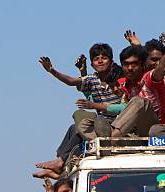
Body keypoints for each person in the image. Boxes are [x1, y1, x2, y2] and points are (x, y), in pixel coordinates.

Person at [34, 43, 122, 177]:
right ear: (92, 64)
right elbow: (70, 81)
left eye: (104, 57)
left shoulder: (120, 78)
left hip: (117, 123)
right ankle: (61, 161)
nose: (100, 60)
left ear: (111, 61)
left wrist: (94, 106)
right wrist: (52, 70)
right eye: (96, 58)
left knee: (80, 116)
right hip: (100, 121)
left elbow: (124, 106)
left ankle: (60, 163)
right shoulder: (92, 79)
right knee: (74, 128)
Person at [96, 32, 165, 139]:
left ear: (142, 65)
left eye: (134, 64)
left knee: (139, 101)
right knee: (85, 120)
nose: (130, 68)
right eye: (126, 64)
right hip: (138, 131)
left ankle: (111, 138)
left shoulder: (149, 78)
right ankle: (106, 137)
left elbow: (161, 68)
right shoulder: (126, 85)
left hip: (159, 129)